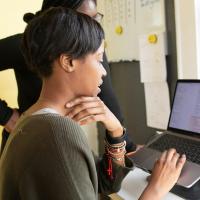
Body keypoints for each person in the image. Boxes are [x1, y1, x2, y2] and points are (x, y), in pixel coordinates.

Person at [0, 7, 186, 200]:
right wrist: (155, 190)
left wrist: (115, 129)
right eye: (98, 60)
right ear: (68, 61)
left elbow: (106, 183)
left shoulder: (32, 118)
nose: (103, 72)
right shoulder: (57, 133)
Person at [0, 0, 136, 155]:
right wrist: (6, 116)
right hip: (28, 140)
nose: (93, 30)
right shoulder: (28, 45)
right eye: (84, 21)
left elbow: (108, 97)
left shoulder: (92, 47)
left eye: (95, 20)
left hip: (61, 138)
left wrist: (126, 145)